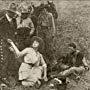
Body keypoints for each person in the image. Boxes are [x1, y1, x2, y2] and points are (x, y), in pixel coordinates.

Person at [0, 2, 19, 81]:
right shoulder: (2, 20)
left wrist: (14, 41)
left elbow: (14, 31)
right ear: (8, 12)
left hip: (12, 43)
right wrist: (5, 39)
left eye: (14, 12)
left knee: (12, 58)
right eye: (12, 13)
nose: (14, 14)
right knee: (4, 59)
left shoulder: (14, 20)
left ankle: (10, 74)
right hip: (3, 42)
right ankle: (3, 76)